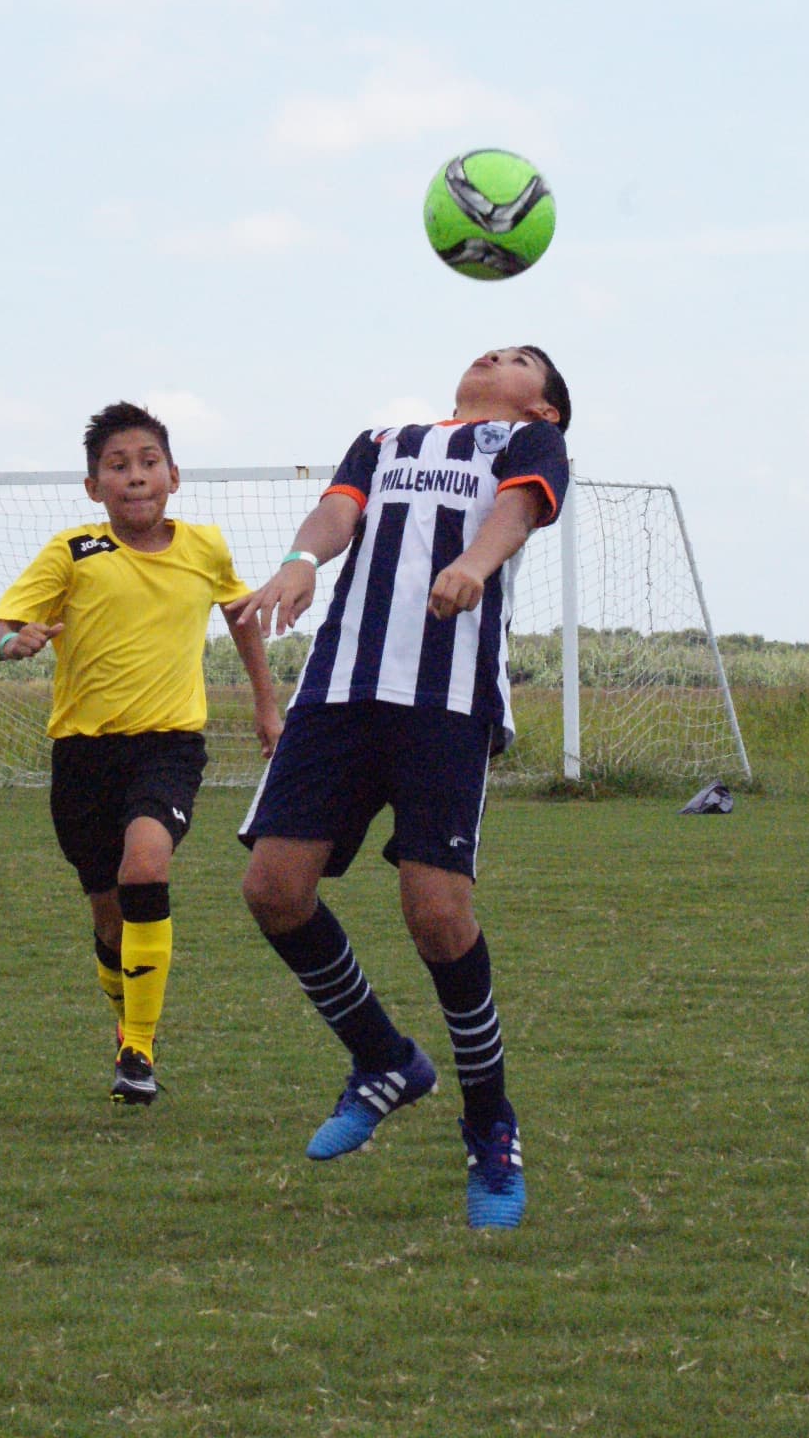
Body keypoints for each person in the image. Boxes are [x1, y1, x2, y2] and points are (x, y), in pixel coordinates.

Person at [237, 346, 571, 1231]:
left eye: (522, 359)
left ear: (543, 408)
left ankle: (491, 1125)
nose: (496, 353)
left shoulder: (528, 444)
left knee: (436, 914)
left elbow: (514, 512)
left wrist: (477, 565)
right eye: (491, 347)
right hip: (337, 689)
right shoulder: (387, 438)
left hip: (443, 698)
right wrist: (300, 561)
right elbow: (336, 514)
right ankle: (384, 1060)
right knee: (273, 889)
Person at [0, 401, 282, 1109]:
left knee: (146, 864)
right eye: (118, 466)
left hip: (169, 746)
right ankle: (125, 1022)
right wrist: (10, 645)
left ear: (173, 475)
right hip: (83, 755)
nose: (135, 476)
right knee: (108, 913)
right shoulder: (74, 551)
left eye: (148, 462)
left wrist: (270, 706)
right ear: (95, 488)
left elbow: (242, 624)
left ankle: (139, 1052)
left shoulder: (206, 548)